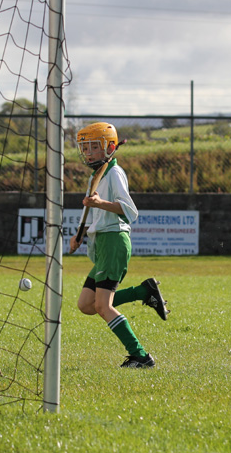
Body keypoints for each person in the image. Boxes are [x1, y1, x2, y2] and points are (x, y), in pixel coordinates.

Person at [69, 122, 169, 368]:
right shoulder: (97, 174)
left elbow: (129, 211)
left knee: (103, 306)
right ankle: (143, 292)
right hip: (103, 242)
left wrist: (100, 203)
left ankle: (141, 356)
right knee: (87, 305)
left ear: (110, 147)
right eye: (85, 147)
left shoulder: (114, 172)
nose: (89, 152)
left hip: (115, 241)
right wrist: (80, 233)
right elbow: (93, 211)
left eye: (94, 147)